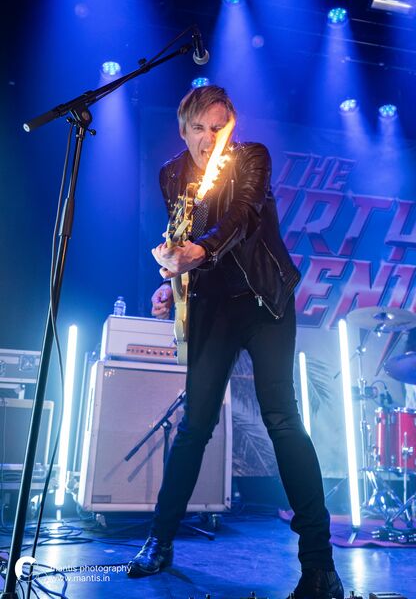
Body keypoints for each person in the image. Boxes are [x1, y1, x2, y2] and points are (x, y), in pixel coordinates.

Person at [127, 85, 344, 599]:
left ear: (232, 127)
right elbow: (180, 238)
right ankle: (159, 541)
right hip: (211, 307)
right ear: (183, 130)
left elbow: (243, 217)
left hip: (264, 299)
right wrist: (172, 283)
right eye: (199, 128)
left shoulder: (251, 158)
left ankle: (320, 566)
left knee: (282, 419)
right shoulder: (171, 174)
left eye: (218, 127)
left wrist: (198, 254)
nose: (209, 138)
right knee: (195, 425)